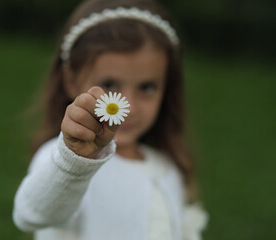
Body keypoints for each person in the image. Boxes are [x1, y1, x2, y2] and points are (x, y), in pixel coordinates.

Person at [13, 0, 209, 239]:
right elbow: (31, 215)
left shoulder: (168, 168)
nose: (128, 106)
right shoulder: (65, 159)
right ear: (72, 81)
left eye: (147, 87)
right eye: (109, 85)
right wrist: (74, 162)